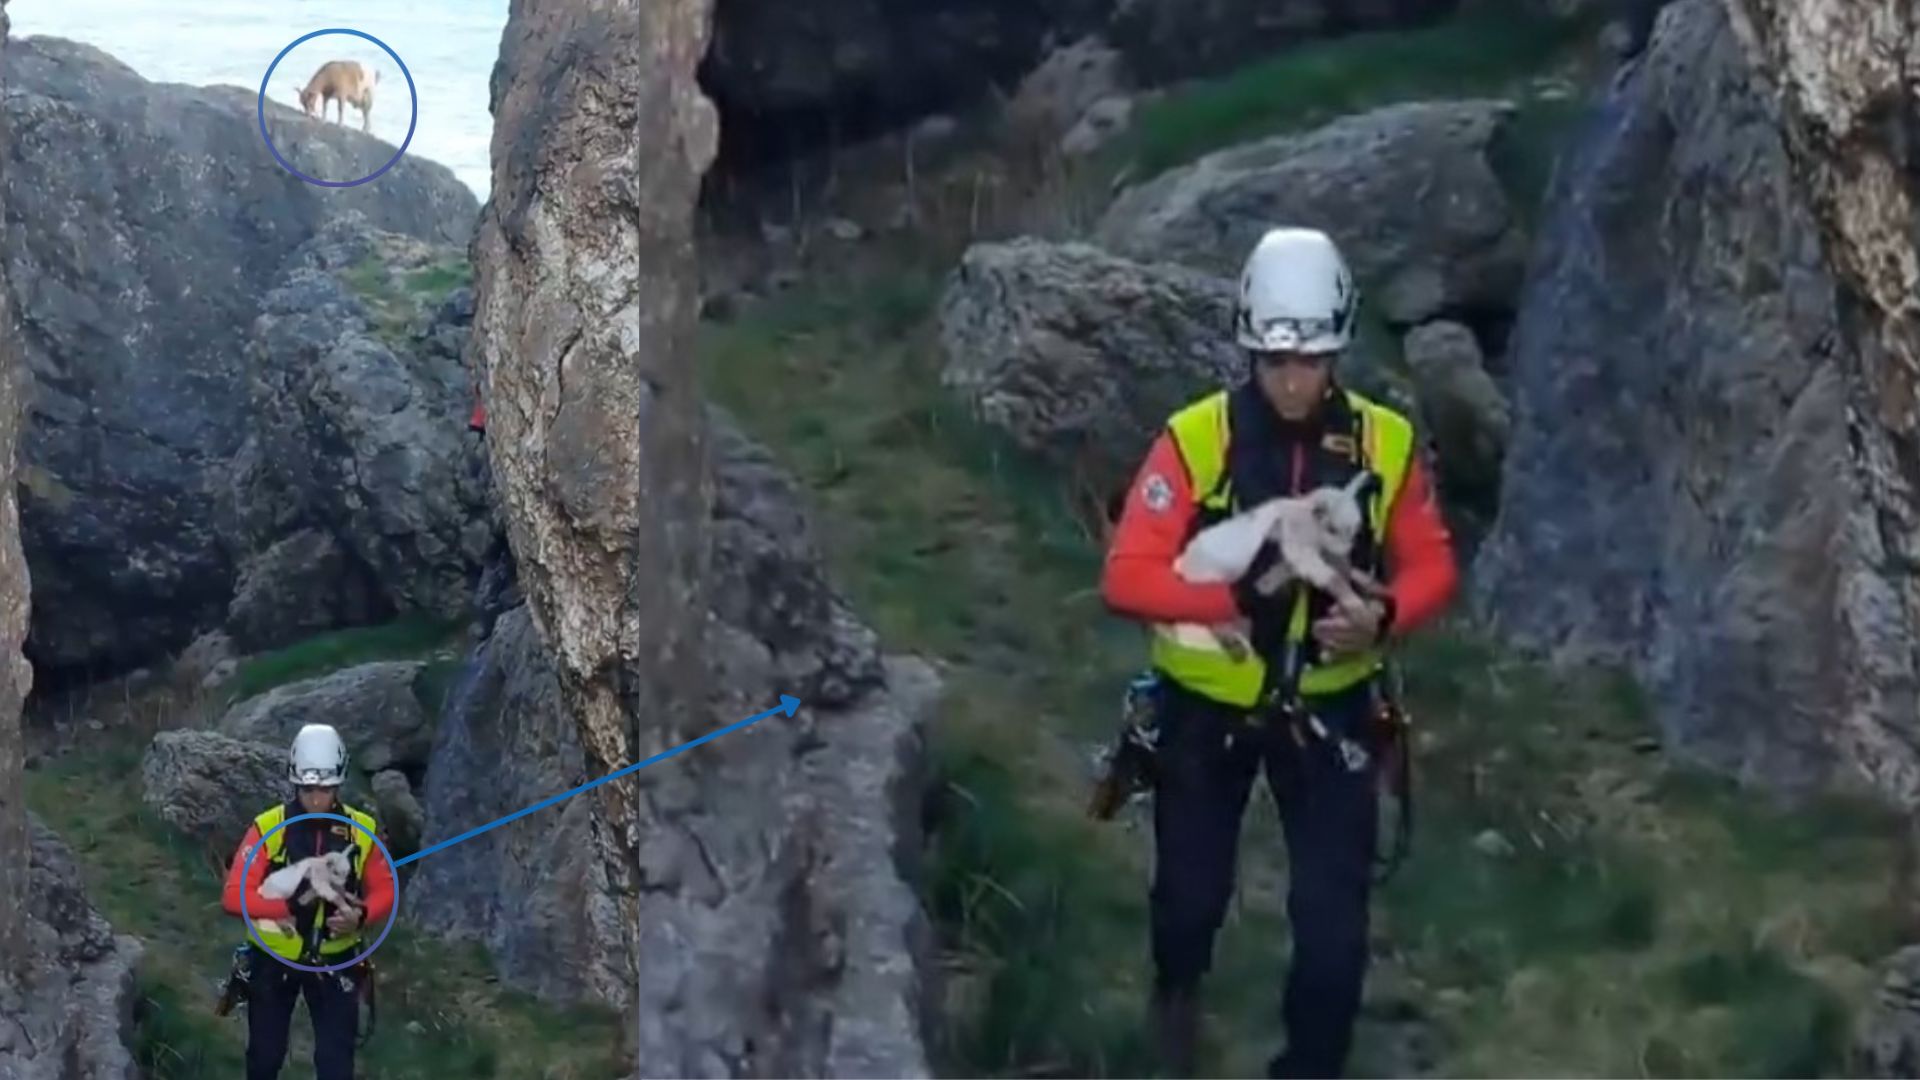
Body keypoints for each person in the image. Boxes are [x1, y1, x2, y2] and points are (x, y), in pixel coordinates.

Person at [1100, 226, 1459, 1078]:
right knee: (1189, 901)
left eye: (1311, 361)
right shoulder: (1194, 440)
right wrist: (1232, 597)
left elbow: (1433, 561)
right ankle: (1176, 994)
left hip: (1333, 710)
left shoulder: (1386, 443)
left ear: (1338, 349)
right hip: (1204, 706)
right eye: (1274, 361)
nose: (1294, 380)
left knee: (1334, 933)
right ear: (1249, 349)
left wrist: (1386, 618)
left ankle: (1311, 1065)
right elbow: (1126, 576)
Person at [221, 723, 396, 1080]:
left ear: (339, 784)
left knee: (336, 1068)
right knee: (264, 1060)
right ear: (295, 782)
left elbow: (386, 891)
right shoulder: (267, 828)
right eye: (309, 789)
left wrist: (361, 916)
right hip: (273, 959)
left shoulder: (363, 830)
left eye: (326, 789)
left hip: (338, 962)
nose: (317, 798)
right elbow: (233, 896)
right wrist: (286, 907)